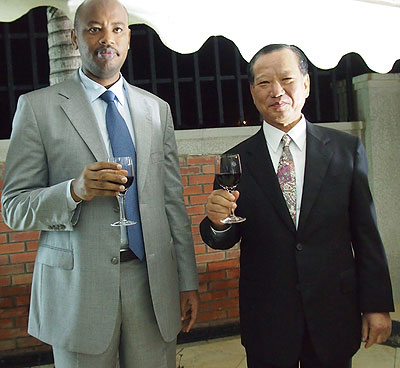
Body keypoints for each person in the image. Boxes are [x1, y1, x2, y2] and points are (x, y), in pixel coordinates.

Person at [1, 0, 199, 367]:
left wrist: (187, 279)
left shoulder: (156, 110)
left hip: (151, 285)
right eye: (94, 28)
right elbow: (13, 207)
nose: (106, 38)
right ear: (75, 39)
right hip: (78, 292)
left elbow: (173, 202)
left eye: (117, 29)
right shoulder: (37, 108)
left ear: (128, 40)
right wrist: (73, 191)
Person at [200, 44, 394, 368]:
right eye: (264, 83)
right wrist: (217, 222)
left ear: (305, 83)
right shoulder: (235, 161)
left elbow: (366, 234)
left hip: (333, 312)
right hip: (268, 319)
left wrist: (377, 305)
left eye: (287, 79)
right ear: (252, 91)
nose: (277, 91)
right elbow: (223, 235)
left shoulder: (346, 150)